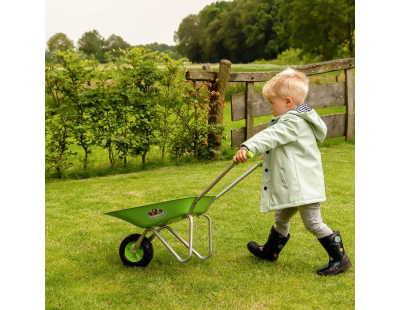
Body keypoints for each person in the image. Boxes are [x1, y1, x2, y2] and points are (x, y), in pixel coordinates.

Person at [233, 68, 352, 276]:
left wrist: (248, 147)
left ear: (288, 102)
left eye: (272, 102)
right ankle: (270, 252)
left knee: (313, 223)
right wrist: (268, 156)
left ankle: (340, 259)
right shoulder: (298, 120)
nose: (270, 107)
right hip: (295, 184)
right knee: (281, 217)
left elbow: (271, 135)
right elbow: (285, 146)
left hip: (302, 185)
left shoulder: (293, 122)